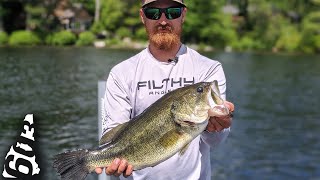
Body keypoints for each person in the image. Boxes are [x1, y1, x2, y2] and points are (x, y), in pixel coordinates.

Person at [95, 0, 235, 179]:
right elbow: (112, 134)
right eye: (154, 12)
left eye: (172, 12)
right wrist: (110, 162)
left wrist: (217, 126)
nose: (163, 20)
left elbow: (217, 142)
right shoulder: (122, 73)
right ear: (142, 16)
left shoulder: (208, 69)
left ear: (183, 15)